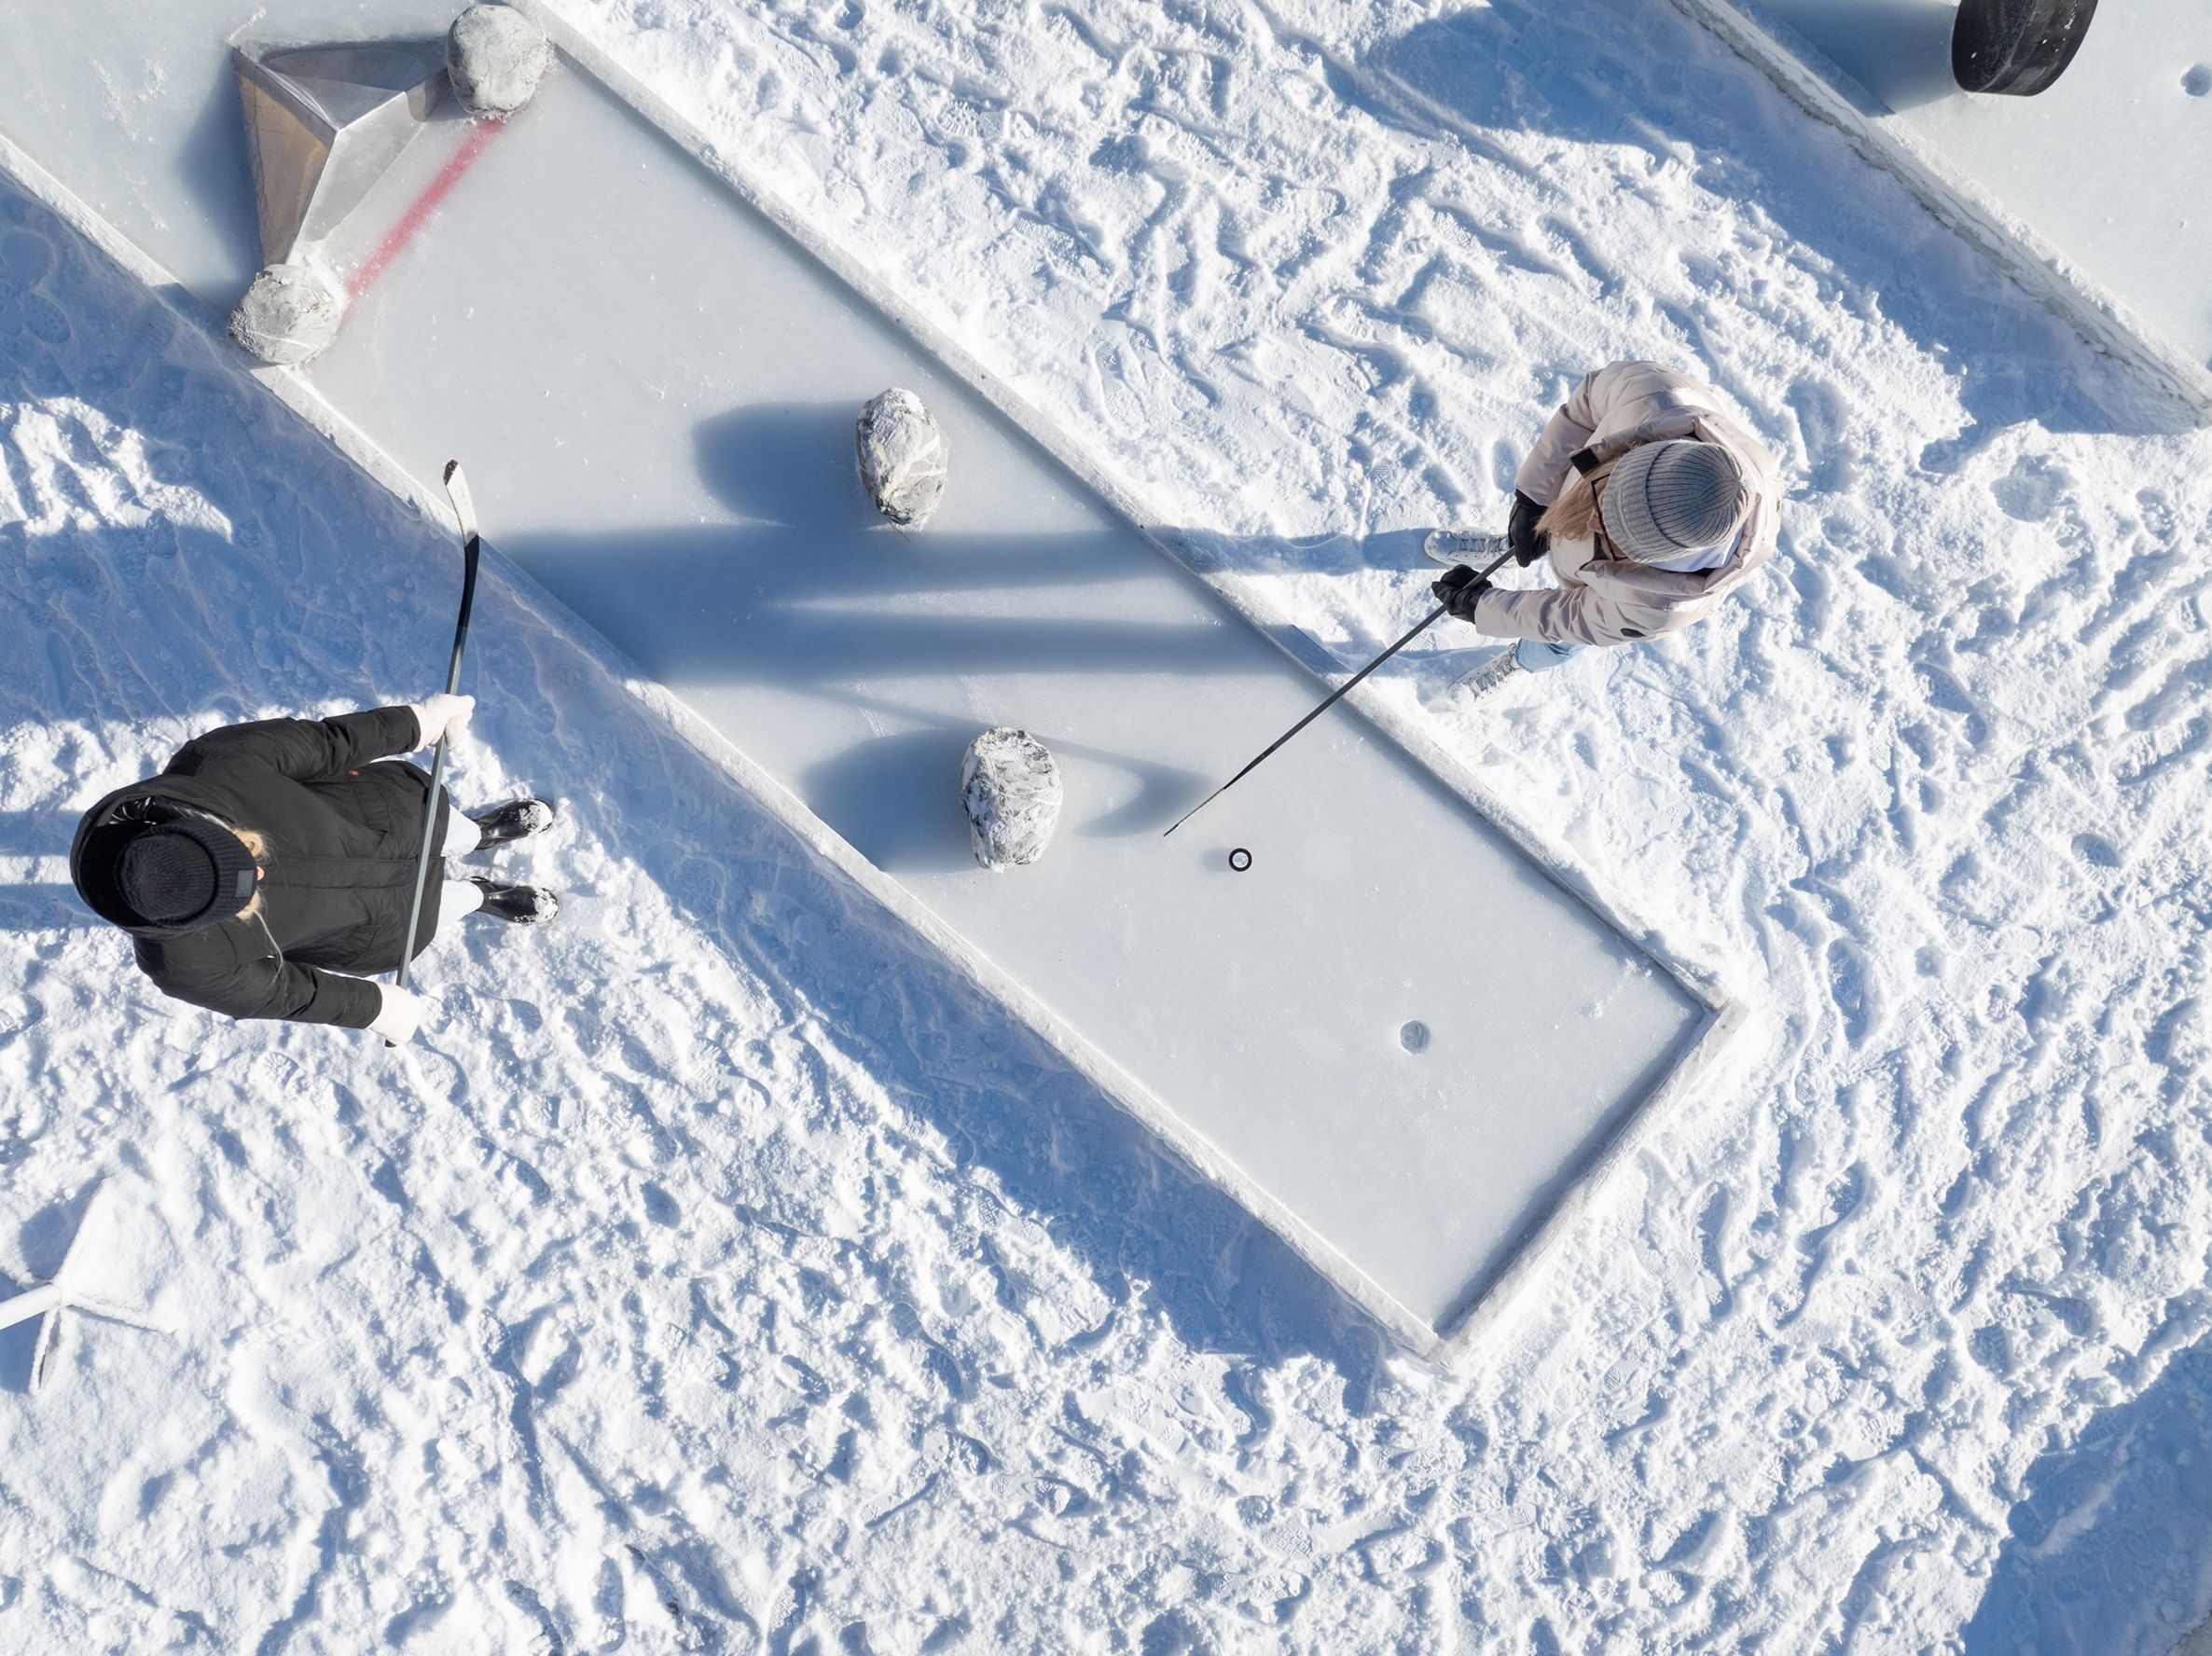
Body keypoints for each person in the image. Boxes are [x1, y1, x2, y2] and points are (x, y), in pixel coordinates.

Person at [68, 696, 556, 1046]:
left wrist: (416, 723)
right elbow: (284, 993)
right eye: (243, 902)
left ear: (199, 826)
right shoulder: (185, 966)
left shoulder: (215, 765)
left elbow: (328, 745)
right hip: (373, 920)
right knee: (435, 907)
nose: (260, 878)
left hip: (382, 821)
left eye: (246, 853)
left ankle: (480, 833)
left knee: (447, 832)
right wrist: (374, 1009)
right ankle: (479, 894)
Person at [1422, 360, 1783, 698]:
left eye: (1615, 537)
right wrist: (1535, 498)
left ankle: (1519, 662)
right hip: (1579, 500)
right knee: (1549, 522)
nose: (1593, 524)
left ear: (1655, 560)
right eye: (1607, 494)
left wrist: (1484, 608)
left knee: (1557, 639)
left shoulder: (1661, 606)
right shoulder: (1654, 394)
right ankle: (1510, 544)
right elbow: (1585, 407)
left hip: (1599, 593)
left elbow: (1573, 615)